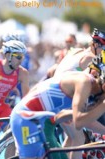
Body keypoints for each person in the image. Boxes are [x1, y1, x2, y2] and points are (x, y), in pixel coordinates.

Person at [10, 63, 105, 158]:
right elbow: (79, 122)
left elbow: (59, 117)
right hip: (26, 120)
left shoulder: (84, 82)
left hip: (36, 120)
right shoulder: (84, 82)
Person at [43, 28, 105, 159]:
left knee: (71, 139)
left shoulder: (77, 51)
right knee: (79, 138)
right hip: (61, 98)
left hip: (54, 93)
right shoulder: (91, 58)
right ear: (97, 45)